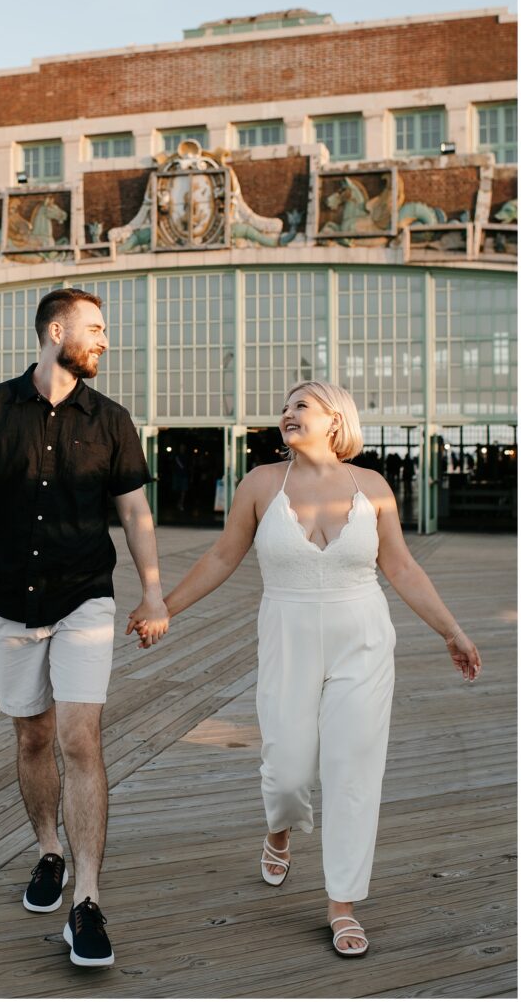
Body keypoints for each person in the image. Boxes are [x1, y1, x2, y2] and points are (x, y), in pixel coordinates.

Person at [129, 380, 481, 958]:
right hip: (288, 636)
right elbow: (222, 556)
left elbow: (402, 567)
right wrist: (163, 606)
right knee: (288, 767)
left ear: (335, 421)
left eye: (302, 406)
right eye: (286, 406)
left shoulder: (372, 488)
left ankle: (342, 903)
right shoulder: (262, 484)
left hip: (362, 638)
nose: (287, 413)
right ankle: (279, 829)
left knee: (352, 772)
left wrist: (452, 630)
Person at [0, 287, 169, 969]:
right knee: (32, 732)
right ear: (54, 330)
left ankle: (88, 899)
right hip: (9, 597)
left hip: (84, 598)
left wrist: (154, 590)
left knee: (79, 735)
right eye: (94, 328)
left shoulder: (111, 419)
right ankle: (48, 849)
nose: (104, 340)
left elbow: (134, 513)